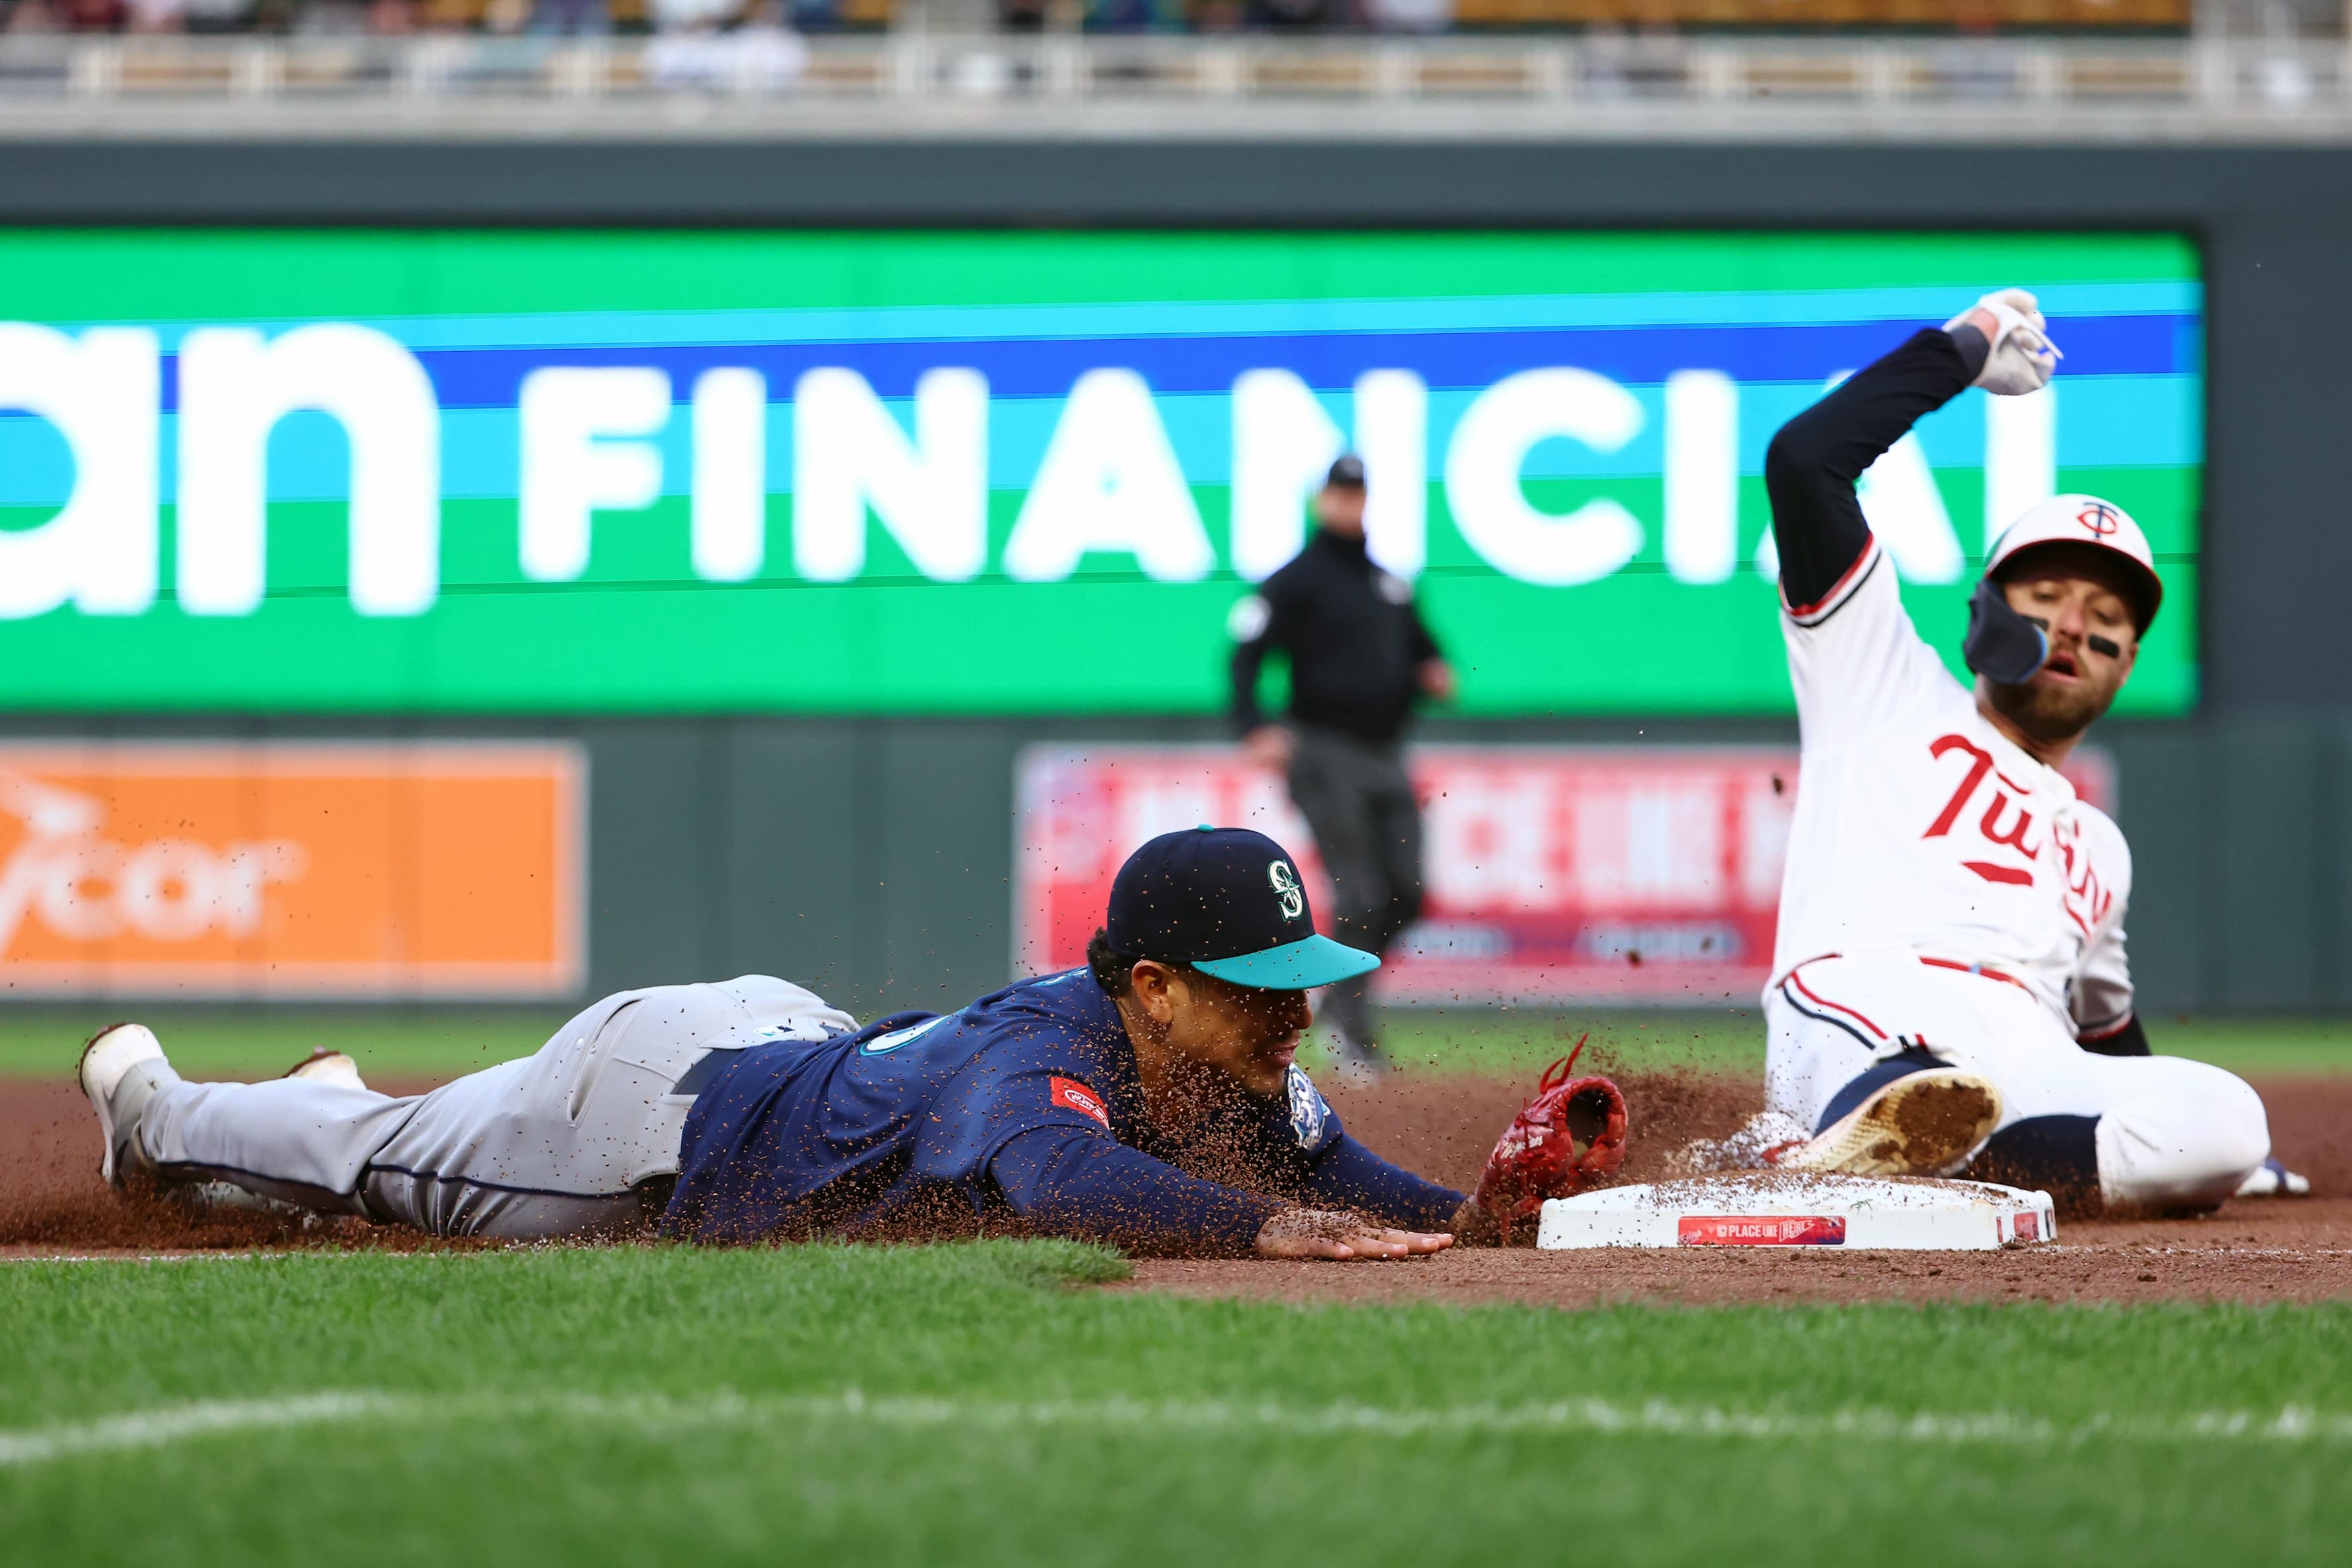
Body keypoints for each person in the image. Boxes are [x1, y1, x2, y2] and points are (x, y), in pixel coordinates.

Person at [78, 827, 1626, 1255]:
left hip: (785, 1044)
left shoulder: (1226, 1072)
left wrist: (1478, 1212)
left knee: (402, 1139)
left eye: (1303, 974)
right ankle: (150, 1099)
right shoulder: (1048, 1062)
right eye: (1257, 980)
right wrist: (1277, 1234)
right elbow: (1057, 1183)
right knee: (382, 1167)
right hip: (646, 1123)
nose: (1296, 1009)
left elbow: (1353, 1179)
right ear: (1152, 985)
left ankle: (351, 1105)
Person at [1709, 286, 2304, 1212]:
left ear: (2124, 662)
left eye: (2105, 617)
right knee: (1911, 1079)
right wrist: (1963, 347)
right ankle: (1862, 1129)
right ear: (1985, 607)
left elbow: (2105, 1035)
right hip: (1865, 1006)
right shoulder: (1880, 679)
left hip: (2028, 1053)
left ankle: (1919, 1163)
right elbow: (1803, 462)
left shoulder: (2099, 847)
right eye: (2049, 595)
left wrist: (2205, 1148)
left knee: (2229, 1114)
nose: (2075, 626)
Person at [1229, 454, 1455, 1078]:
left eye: (1359, 494)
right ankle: (1351, 1032)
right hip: (1323, 748)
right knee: (1359, 892)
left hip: (1385, 754)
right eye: (1340, 493)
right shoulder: (1296, 580)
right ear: (1320, 500)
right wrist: (1254, 725)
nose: (1349, 504)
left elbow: (1424, 648)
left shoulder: (1389, 582)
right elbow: (1245, 654)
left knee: (1406, 893)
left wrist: (1432, 669)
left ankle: (1334, 1006)